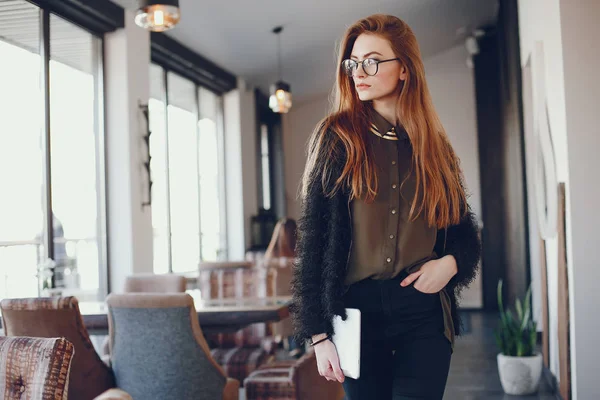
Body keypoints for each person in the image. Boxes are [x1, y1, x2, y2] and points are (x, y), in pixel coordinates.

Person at [290, 14, 481, 400]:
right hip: (355, 316)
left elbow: (464, 233)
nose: (359, 72)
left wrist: (450, 264)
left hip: (423, 310)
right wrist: (318, 334)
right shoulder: (336, 138)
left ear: (405, 70)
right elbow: (312, 243)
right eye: (353, 62)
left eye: (373, 61)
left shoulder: (434, 147)